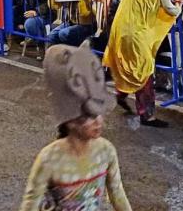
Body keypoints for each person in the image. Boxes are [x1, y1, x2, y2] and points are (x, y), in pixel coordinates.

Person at [19, 42, 132, 211]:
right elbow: (30, 205)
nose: (98, 121)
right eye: (89, 115)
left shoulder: (106, 151)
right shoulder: (49, 159)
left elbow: (117, 193)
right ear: (70, 120)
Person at [103, 0, 183, 128]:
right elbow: (174, 11)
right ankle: (147, 115)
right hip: (137, 40)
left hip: (120, 35)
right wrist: (180, 0)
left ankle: (121, 93)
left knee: (127, 68)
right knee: (145, 74)